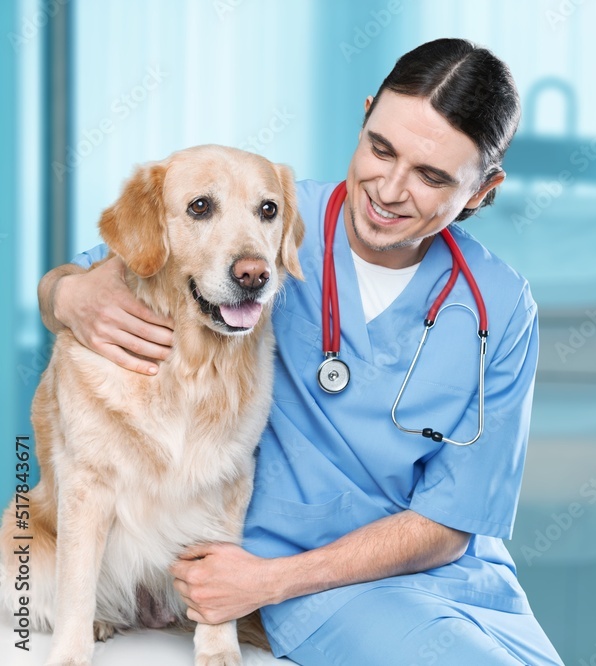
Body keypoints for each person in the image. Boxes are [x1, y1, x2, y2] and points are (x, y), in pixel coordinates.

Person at [38, 38, 563, 666]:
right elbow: (109, 269)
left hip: (462, 580)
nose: (389, 190)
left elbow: (453, 521)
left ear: (482, 190)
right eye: (381, 148)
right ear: (366, 115)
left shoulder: (502, 308)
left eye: (431, 176)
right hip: (323, 586)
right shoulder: (273, 215)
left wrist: (268, 584)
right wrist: (64, 293)